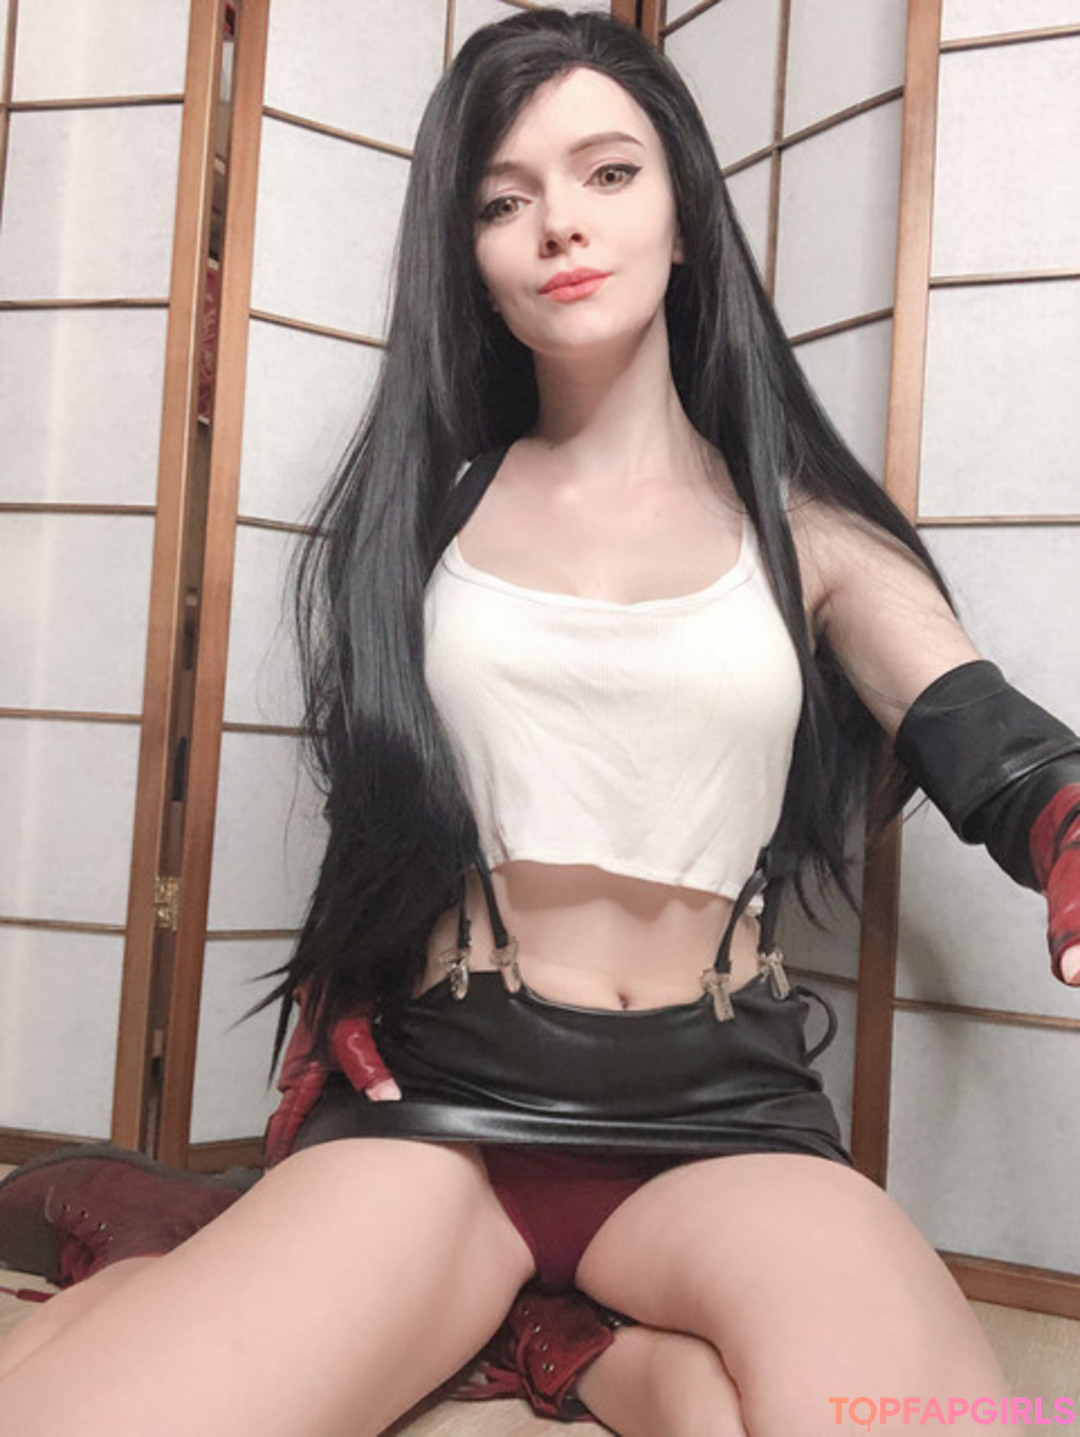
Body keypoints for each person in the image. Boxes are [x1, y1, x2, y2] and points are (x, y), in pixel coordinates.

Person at [1, 10, 1077, 1435]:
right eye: (503, 201)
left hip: (729, 1122)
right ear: (469, 259)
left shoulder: (809, 535)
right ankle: (275, 1277)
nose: (559, 222)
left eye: (609, 174)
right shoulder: (422, 521)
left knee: (926, 1428)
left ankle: (560, 1343)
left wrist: (1069, 838)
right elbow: (379, 830)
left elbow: (1002, 751)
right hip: (443, 1115)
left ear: (687, 219)